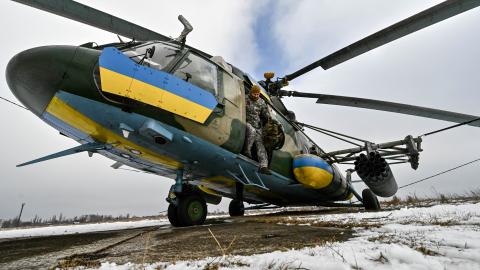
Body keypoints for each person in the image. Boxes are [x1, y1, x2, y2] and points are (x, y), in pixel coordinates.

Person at [244, 85, 271, 174]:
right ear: (251, 92)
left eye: (257, 94)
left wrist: (269, 118)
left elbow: (265, 113)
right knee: (252, 132)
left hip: (257, 125)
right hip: (247, 122)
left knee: (261, 144)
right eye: (254, 94)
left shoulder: (261, 102)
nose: (256, 96)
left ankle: (263, 166)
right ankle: (247, 151)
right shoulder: (245, 98)